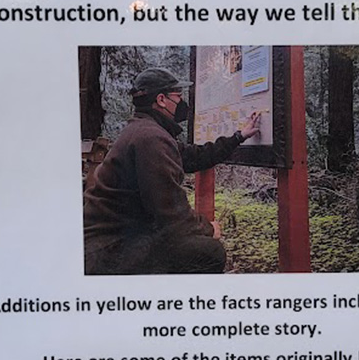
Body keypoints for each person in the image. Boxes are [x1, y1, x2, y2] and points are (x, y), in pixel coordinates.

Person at [84, 67, 261, 275]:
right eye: (178, 96)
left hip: (113, 239)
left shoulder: (146, 131)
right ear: (161, 100)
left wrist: (239, 136)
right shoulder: (150, 139)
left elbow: (194, 156)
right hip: (108, 250)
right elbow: (171, 214)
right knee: (209, 252)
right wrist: (208, 229)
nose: (182, 102)